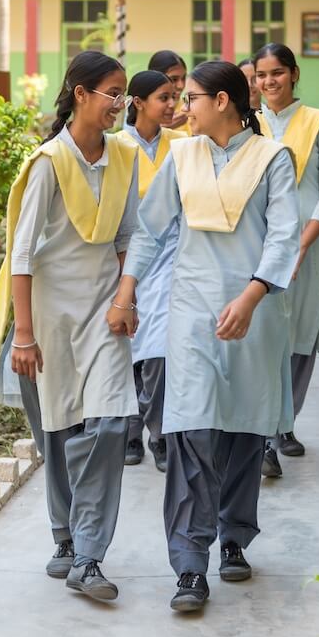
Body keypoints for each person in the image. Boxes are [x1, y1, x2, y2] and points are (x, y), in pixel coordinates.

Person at [110, 60, 298, 612]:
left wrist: (252, 295)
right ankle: (190, 565)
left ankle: (234, 538)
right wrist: (127, 294)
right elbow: (148, 231)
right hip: (191, 312)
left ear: (221, 101)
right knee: (191, 431)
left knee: (243, 431)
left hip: (254, 313)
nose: (180, 108)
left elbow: (284, 236)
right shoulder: (182, 156)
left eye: (188, 98)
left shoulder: (272, 159)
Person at [0, 50, 139, 602]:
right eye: (113, 92)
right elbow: (21, 254)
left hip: (104, 314)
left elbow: (129, 240)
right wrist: (23, 334)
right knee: (60, 435)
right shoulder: (48, 163)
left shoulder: (124, 160)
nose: (120, 104)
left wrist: (126, 299)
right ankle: (65, 539)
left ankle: (88, 556)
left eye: (124, 94)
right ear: (81, 93)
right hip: (48, 317)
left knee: (110, 426)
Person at [254, 43, 319, 479]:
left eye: (277, 73)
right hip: (263, 242)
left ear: (293, 73)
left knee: (300, 337)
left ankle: (284, 424)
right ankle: (268, 435)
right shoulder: (252, 124)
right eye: (261, 75)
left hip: (310, 243)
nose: (269, 82)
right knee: (268, 335)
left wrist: (302, 245)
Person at [114, 70, 187, 471]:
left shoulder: (182, 145)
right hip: (125, 258)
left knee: (159, 347)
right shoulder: (117, 147)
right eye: (164, 98)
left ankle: (158, 434)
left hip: (171, 254)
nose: (173, 106)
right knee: (126, 345)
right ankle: (129, 429)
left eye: (175, 97)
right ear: (137, 102)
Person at [149, 50, 189, 131]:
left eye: (183, 78)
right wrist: (161, 130)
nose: (181, 86)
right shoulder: (140, 108)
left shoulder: (187, 109)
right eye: (174, 79)